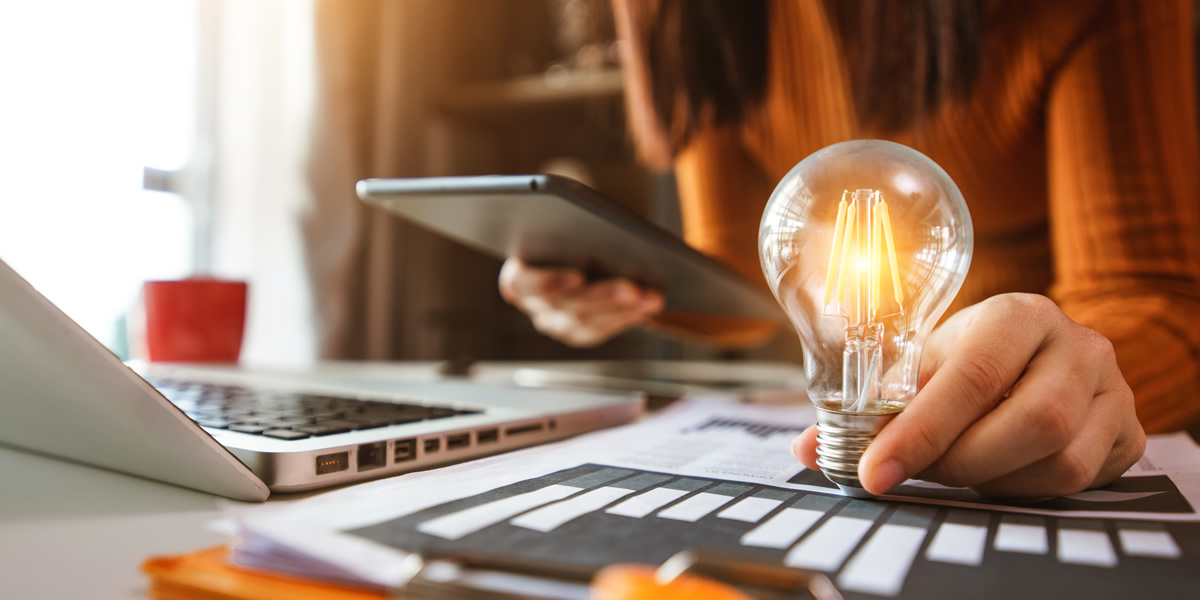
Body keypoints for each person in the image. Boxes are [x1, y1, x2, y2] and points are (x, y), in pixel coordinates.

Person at [500, 0, 1200, 499]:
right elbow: (749, 269)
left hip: (1009, 388)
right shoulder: (679, 10)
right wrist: (624, 279)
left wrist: (1055, 381)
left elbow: (1155, 294)